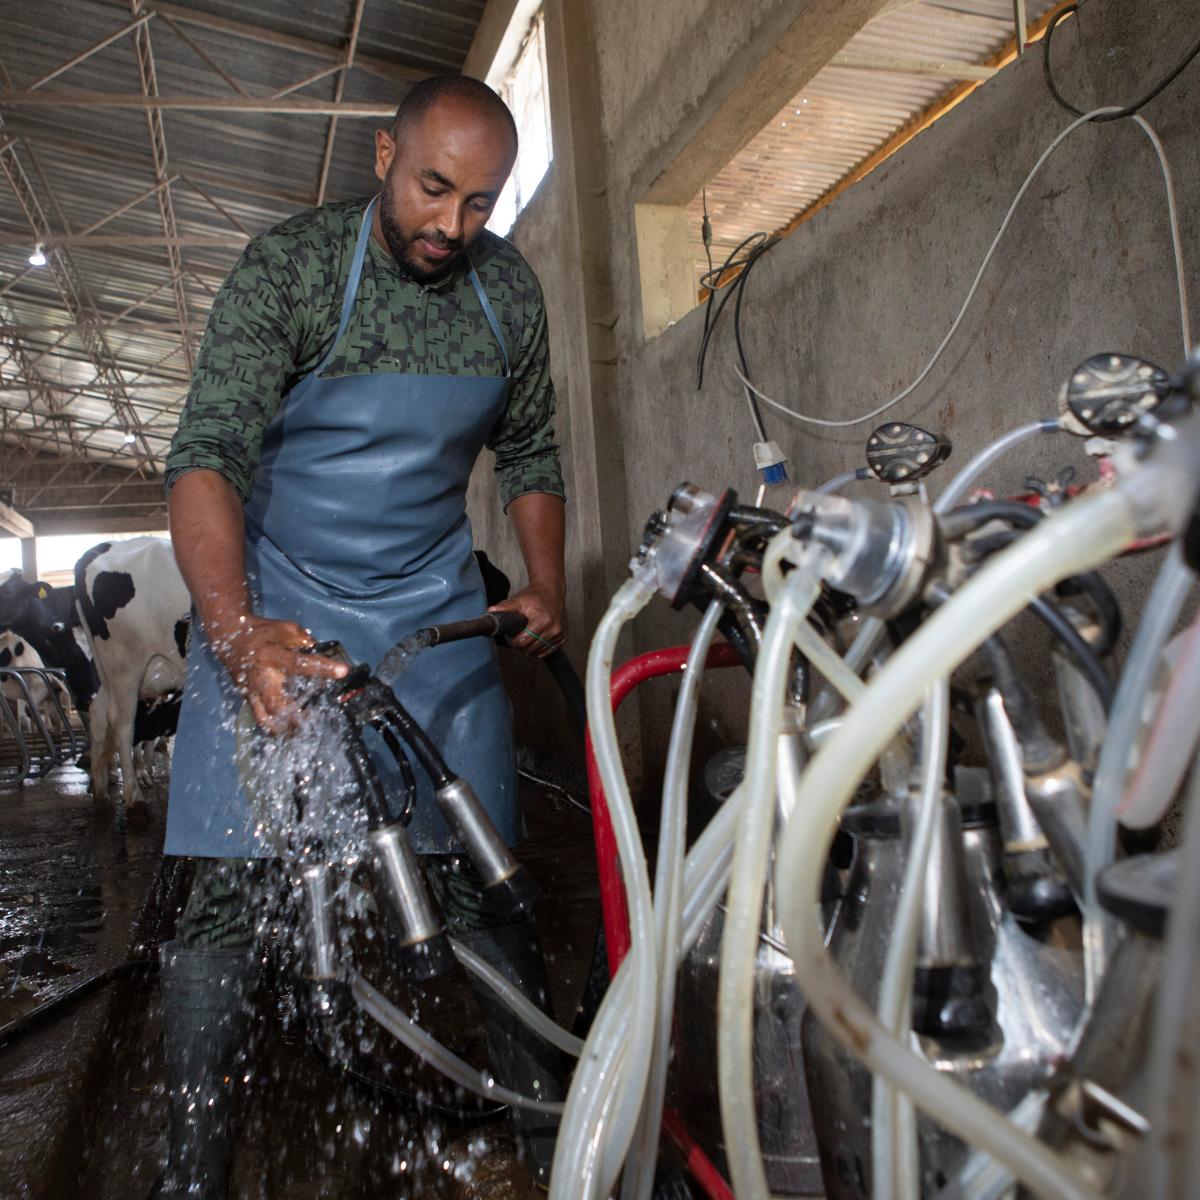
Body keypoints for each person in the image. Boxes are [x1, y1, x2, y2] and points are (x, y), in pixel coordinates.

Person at [158, 75, 568, 1198]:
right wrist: (237, 636)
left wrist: (539, 578)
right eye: (435, 188)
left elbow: (529, 449)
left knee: (489, 888)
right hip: (274, 610)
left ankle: (553, 1145)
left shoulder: (507, 292)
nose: (452, 226)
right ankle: (191, 1173)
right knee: (226, 900)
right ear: (384, 155)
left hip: (431, 620)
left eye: (480, 203)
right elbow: (205, 458)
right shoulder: (290, 269)